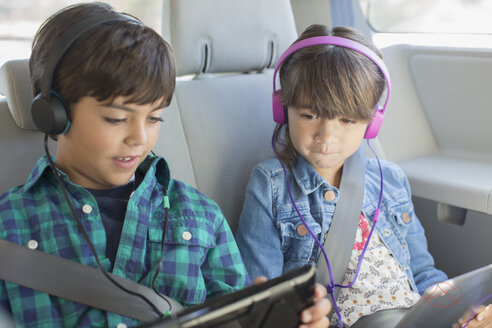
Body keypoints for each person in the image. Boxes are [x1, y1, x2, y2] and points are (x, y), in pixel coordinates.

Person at [0, 3, 330, 327]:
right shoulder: (9, 226)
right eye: (116, 118)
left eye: (155, 117)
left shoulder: (202, 217)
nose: (139, 138)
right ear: (55, 113)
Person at [235, 24, 491, 328]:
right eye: (308, 115)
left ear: (372, 123)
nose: (326, 135)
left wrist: (465, 312)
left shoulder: (391, 180)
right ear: (283, 109)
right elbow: (265, 297)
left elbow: (423, 274)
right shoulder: (271, 184)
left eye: (347, 120)